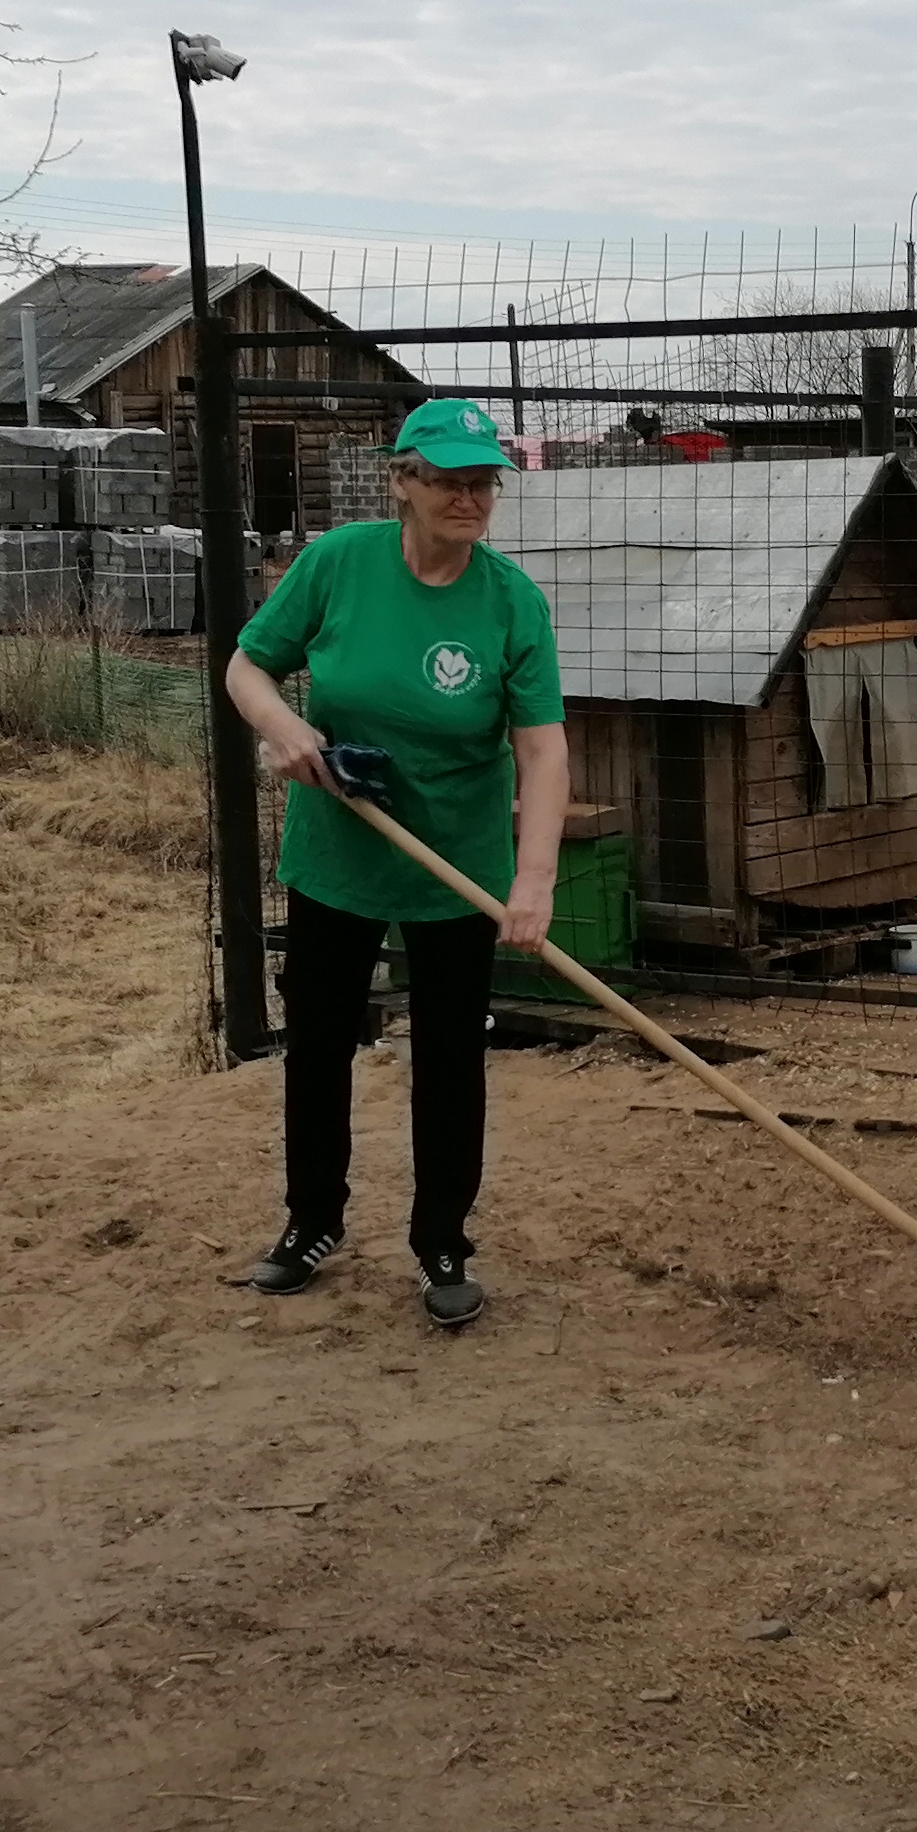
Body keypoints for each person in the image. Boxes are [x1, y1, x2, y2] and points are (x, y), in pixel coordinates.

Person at [226, 396, 567, 1325]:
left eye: (482, 482)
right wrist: (288, 728)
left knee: (451, 1056)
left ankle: (441, 1241)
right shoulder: (338, 564)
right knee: (320, 1042)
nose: (469, 498)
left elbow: (541, 749)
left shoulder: (509, 601)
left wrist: (531, 882)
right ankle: (311, 1223)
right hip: (339, 848)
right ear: (403, 484)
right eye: (448, 480)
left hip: (457, 859)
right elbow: (245, 667)